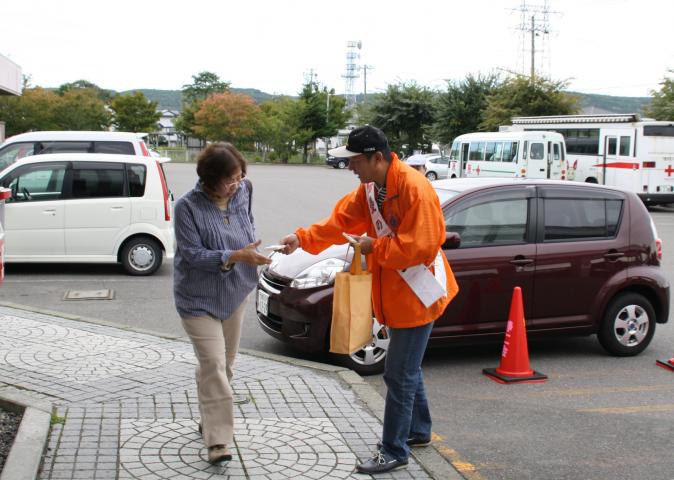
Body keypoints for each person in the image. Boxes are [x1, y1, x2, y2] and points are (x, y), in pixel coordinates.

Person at [278, 125, 459, 474]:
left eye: (355, 161)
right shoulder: (372, 187)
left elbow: (421, 246)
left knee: (398, 375)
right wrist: (300, 239)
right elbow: (339, 222)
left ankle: (394, 449)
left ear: (377, 158)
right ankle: (419, 431)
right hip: (399, 291)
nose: (350, 168)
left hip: (418, 294)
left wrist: (373, 247)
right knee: (407, 370)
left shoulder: (414, 189)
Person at [173, 142, 271, 464]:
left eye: (240, 176)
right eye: (229, 180)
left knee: (224, 366)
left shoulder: (245, 191)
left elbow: (247, 224)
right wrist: (232, 256)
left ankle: (210, 414)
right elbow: (192, 255)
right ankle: (218, 441)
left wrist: (251, 252)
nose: (236, 185)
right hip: (197, 298)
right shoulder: (187, 207)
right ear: (209, 179)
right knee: (214, 365)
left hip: (234, 293)